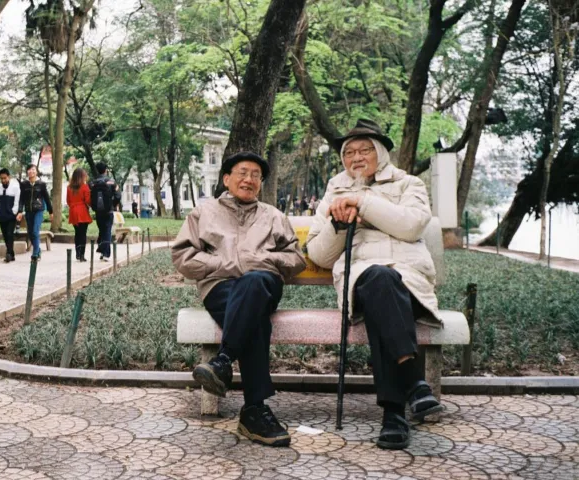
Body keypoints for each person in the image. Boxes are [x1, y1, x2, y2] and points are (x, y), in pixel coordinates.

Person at [305, 119, 444, 451]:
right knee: (380, 280)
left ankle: (394, 416)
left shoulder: (408, 184)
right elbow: (319, 255)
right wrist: (338, 224)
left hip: (408, 282)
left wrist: (363, 203)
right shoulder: (333, 191)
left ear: (380, 153)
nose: (355, 157)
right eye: (348, 152)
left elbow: (411, 226)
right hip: (362, 282)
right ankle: (414, 384)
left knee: (387, 295)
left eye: (364, 150)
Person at [172, 151, 306, 447]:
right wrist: (226, 265)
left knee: (255, 282)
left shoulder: (274, 216)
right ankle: (254, 410)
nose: (249, 179)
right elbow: (182, 257)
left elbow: (296, 260)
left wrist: (261, 260)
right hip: (220, 289)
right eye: (243, 173)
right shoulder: (203, 213)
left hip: (264, 285)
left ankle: (223, 362)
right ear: (226, 179)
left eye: (256, 175)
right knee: (254, 317)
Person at [17, 164, 53, 261]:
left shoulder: (41, 184)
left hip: (38, 210)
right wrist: (20, 211)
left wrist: (51, 211)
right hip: (28, 211)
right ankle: (38, 250)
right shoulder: (24, 184)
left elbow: (46, 198)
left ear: (36, 171)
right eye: (29, 170)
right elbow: (21, 199)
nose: (31, 171)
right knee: (31, 233)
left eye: (33, 169)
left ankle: (35, 254)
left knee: (35, 231)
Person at [89, 162, 121, 263]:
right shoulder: (112, 182)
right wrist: (113, 205)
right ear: (105, 170)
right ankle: (106, 254)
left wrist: (94, 207)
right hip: (108, 211)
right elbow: (118, 196)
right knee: (107, 230)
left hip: (98, 211)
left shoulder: (92, 183)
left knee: (102, 230)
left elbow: (89, 197)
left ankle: (102, 250)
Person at [0, 168, 20, 263]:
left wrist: (14, 211)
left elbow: (17, 200)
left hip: (11, 215)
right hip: (1, 214)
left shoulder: (15, 187)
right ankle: (11, 254)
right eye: (1, 178)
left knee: (10, 234)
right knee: (5, 235)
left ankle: (8, 253)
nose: (3, 180)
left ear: (9, 177)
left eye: (5, 178)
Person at [67, 167, 92, 262]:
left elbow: (68, 201)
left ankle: (77, 253)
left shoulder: (69, 187)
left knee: (77, 233)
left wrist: (73, 206)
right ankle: (82, 254)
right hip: (82, 211)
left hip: (73, 211)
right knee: (83, 234)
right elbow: (88, 200)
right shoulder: (84, 187)